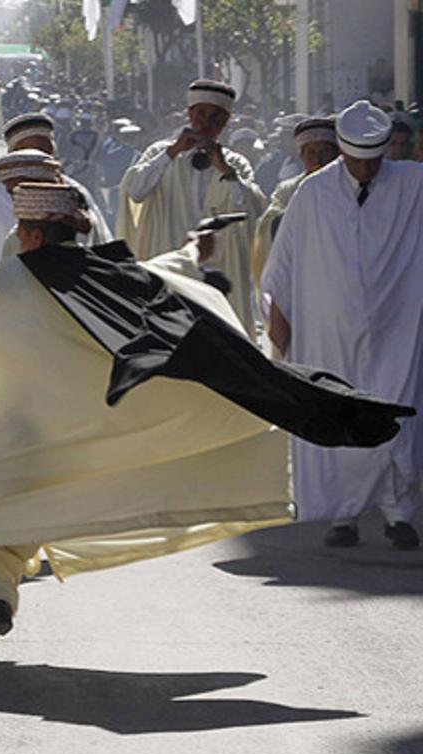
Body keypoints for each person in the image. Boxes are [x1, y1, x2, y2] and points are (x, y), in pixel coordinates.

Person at [0, 181, 410, 662]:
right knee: (5, 518)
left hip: (12, 437)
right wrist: (192, 251)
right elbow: (163, 271)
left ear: (31, 234)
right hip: (67, 442)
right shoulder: (106, 274)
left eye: (19, 230)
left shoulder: (9, 281)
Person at [262, 100, 423, 551]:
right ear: (344, 153)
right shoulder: (313, 193)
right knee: (341, 414)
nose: (366, 170)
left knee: (398, 413)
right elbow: (283, 264)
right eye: (357, 161)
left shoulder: (413, 184)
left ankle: (399, 513)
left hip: (398, 325)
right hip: (328, 330)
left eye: (374, 161)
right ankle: (343, 515)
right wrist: (278, 319)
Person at [116, 80, 267, 338]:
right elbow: (135, 191)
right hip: (170, 262)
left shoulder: (235, 163)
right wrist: (173, 152)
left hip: (217, 269)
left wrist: (224, 169)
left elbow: (251, 208)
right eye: (201, 114)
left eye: (216, 117)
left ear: (226, 121)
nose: (207, 122)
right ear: (189, 114)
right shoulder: (160, 153)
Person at [0, 113, 110, 273]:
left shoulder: (73, 191)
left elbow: (100, 243)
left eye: (46, 148)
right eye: (35, 149)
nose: (42, 156)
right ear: (15, 152)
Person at [250, 117, 339, 289]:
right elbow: (268, 224)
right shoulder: (288, 189)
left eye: (325, 151)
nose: (318, 159)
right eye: (311, 153)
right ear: (301, 156)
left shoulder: (349, 188)